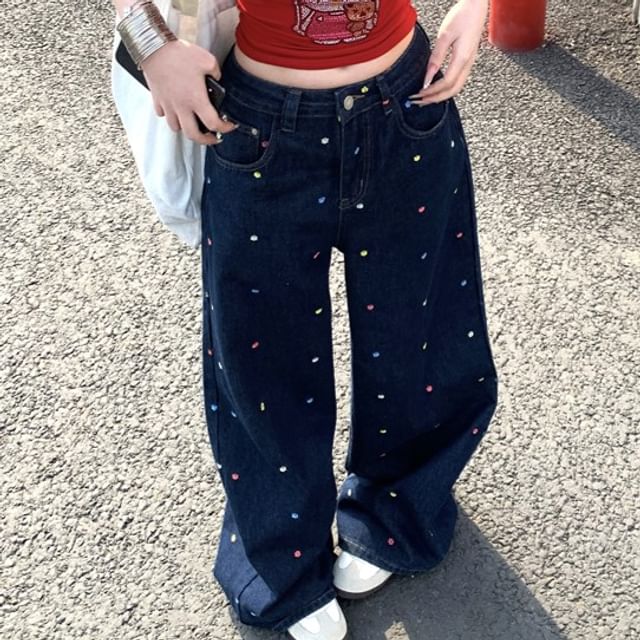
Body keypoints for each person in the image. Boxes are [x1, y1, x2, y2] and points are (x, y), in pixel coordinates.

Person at [114, 1, 498, 638]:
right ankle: (280, 559)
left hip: (406, 102)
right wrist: (149, 44)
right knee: (261, 358)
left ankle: (401, 507)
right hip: (260, 121)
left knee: (420, 331)